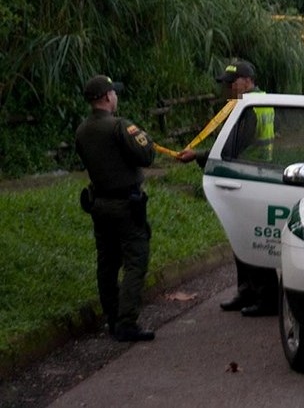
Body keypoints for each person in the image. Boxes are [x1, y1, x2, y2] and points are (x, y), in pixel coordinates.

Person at [176, 60, 279, 317]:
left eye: (233, 82)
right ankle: (247, 292)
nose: (230, 87)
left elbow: (233, 147)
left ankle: (266, 297)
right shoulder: (255, 101)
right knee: (241, 237)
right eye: (227, 83)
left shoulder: (250, 106)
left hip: (252, 177)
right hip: (250, 175)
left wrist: (199, 155)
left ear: (248, 80)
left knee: (254, 240)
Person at [75, 75, 156, 342]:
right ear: (108, 97)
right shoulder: (119, 126)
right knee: (136, 259)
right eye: (114, 93)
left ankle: (112, 317)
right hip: (125, 205)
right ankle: (126, 322)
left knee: (107, 262)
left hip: (99, 204)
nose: (116, 97)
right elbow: (146, 155)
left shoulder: (82, 130)